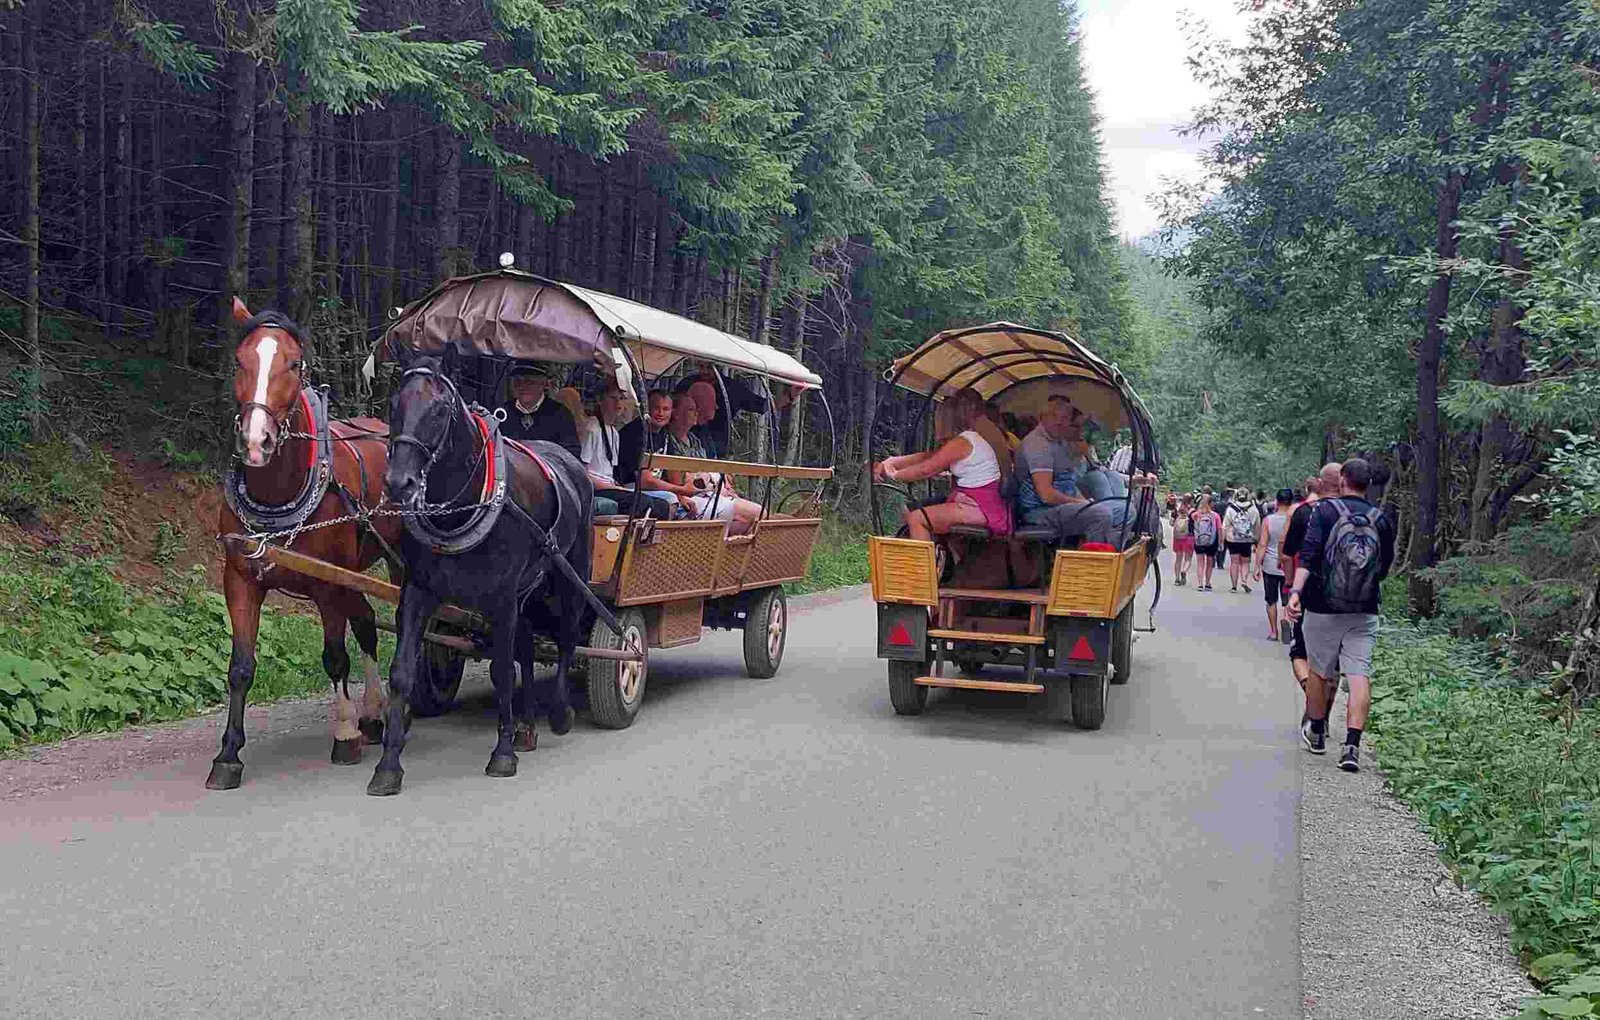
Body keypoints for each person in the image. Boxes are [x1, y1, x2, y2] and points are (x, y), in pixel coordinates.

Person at [1286, 458, 1396, 772]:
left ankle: (1317, 733)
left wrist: (1295, 594)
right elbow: (1384, 568)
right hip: (1364, 608)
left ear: (1343, 479)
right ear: (1369, 483)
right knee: (1359, 675)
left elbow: (1307, 557)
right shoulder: (1381, 518)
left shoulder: (1324, 511)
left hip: (1322, 605)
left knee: (1320, 672)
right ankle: (1351, 746)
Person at [873, 389, 1012, 542]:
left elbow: (925, 469)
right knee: (930, 515)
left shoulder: (962, 442)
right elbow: (928, 457)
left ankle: (924, 565)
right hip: (977, 502)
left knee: (916, 518)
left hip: (981, 507)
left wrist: (894, 474)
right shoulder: (966, 439)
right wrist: (891, 462)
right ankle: (944, 560)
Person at [1281, 464, 1342, 733]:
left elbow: (1288, 552)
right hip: (1349, 598)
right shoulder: (1358, 514)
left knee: (1300, 652)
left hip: (1310, 593)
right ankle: (1323, 717)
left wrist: (1292, 588)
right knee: (1333, 663)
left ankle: (1311, 696)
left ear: (1319, 482)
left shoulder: (1304, 512)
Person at [664, 395, 763, 535]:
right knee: (758, 515)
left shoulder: (694, 440)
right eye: (691, 409)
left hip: (712, 493)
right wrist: (713, 481)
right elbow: (686, 480)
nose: (696, 413)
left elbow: (709, 468)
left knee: (759, 518)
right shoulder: (669, 441)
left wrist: (718, 479)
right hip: (695, 497)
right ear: (675, 413)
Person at [580, 383, 676, 518]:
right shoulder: (591, 428)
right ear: (600, 400)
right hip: (597, 488)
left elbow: (610, 472)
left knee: (662, 505)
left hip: (611, 486)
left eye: (622, 398)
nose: (618, 403)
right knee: (643, 502)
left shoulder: (614, 432)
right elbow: (583, 472)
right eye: (613, 398)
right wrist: (611, 486)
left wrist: (615, 486)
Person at [616, 388, 696, 517]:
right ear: (646, 409)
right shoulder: (635, 433)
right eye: (656, 408)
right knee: (670, 500)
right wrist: (681, 490)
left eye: (666, 409)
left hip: (654, 490)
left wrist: (682, 496)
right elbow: (644, 481)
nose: (660, 413)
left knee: (690, 506)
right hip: (628, 487)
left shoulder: (665, 434)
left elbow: (672, 470)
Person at [1013, 395, 1089, 530]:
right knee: (1100, 514)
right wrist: (1081, 503)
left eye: (1064, 418)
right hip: (1038, 510)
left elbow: (1068, 480)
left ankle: (1101, 547)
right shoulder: (1037, 443)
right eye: (1054, 416)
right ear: (1042, 418)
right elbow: (1046, 495)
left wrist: (1085, 502)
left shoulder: (1060, 442)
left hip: (1061, 505)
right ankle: (1089, 549)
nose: (1059, 422)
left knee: (1123, 511)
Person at [497, 364, 581, 458]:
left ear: (543, 384)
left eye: (529, 382)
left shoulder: (561, 415)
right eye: (518, 382)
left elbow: (571, 455)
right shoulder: (502, 413)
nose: (522, 386)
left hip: (546, 471)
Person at [1253, 489, 1295, 641]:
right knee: (1287, 599)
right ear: (1291, 502)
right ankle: (1286, 620)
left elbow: (1262, 544)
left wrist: (1257, 566)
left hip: (1270, 565)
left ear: (1277, 502)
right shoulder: (1294, 519)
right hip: (1288, 565)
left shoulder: (1268, 520)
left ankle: (1273, 631)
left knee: (1271, 600)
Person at [1222, 487, 1262, 593]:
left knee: (1234, 562)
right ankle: (1244, 580)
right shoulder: (1253, 509)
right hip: (1247, 539)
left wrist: (1222, 540)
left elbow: (1225, 526)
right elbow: (1257, 525)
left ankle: (1234, 586)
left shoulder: (1231, 509)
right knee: (1245, 562)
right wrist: (1257, 539)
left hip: (1233, 539)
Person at [1189, 495, 1222, 590]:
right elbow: (1219, 529)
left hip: (1199, 541)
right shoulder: (1215, 516)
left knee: (1200, 563)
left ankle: (1200, 583)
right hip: (1211, 542)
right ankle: (1207, 583)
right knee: (1209, 562)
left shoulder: (1195, 515)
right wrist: (1220, 542)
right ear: (1211, 504)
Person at [1171, 495, 1195, 585]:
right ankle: (1184, 570)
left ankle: (1177, 579)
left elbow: (1172, 522)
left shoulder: (1177, 509)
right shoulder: (1192, 511)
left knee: (1178, 559)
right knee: (1188, 559)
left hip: (1177, 537)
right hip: (1189, 536)